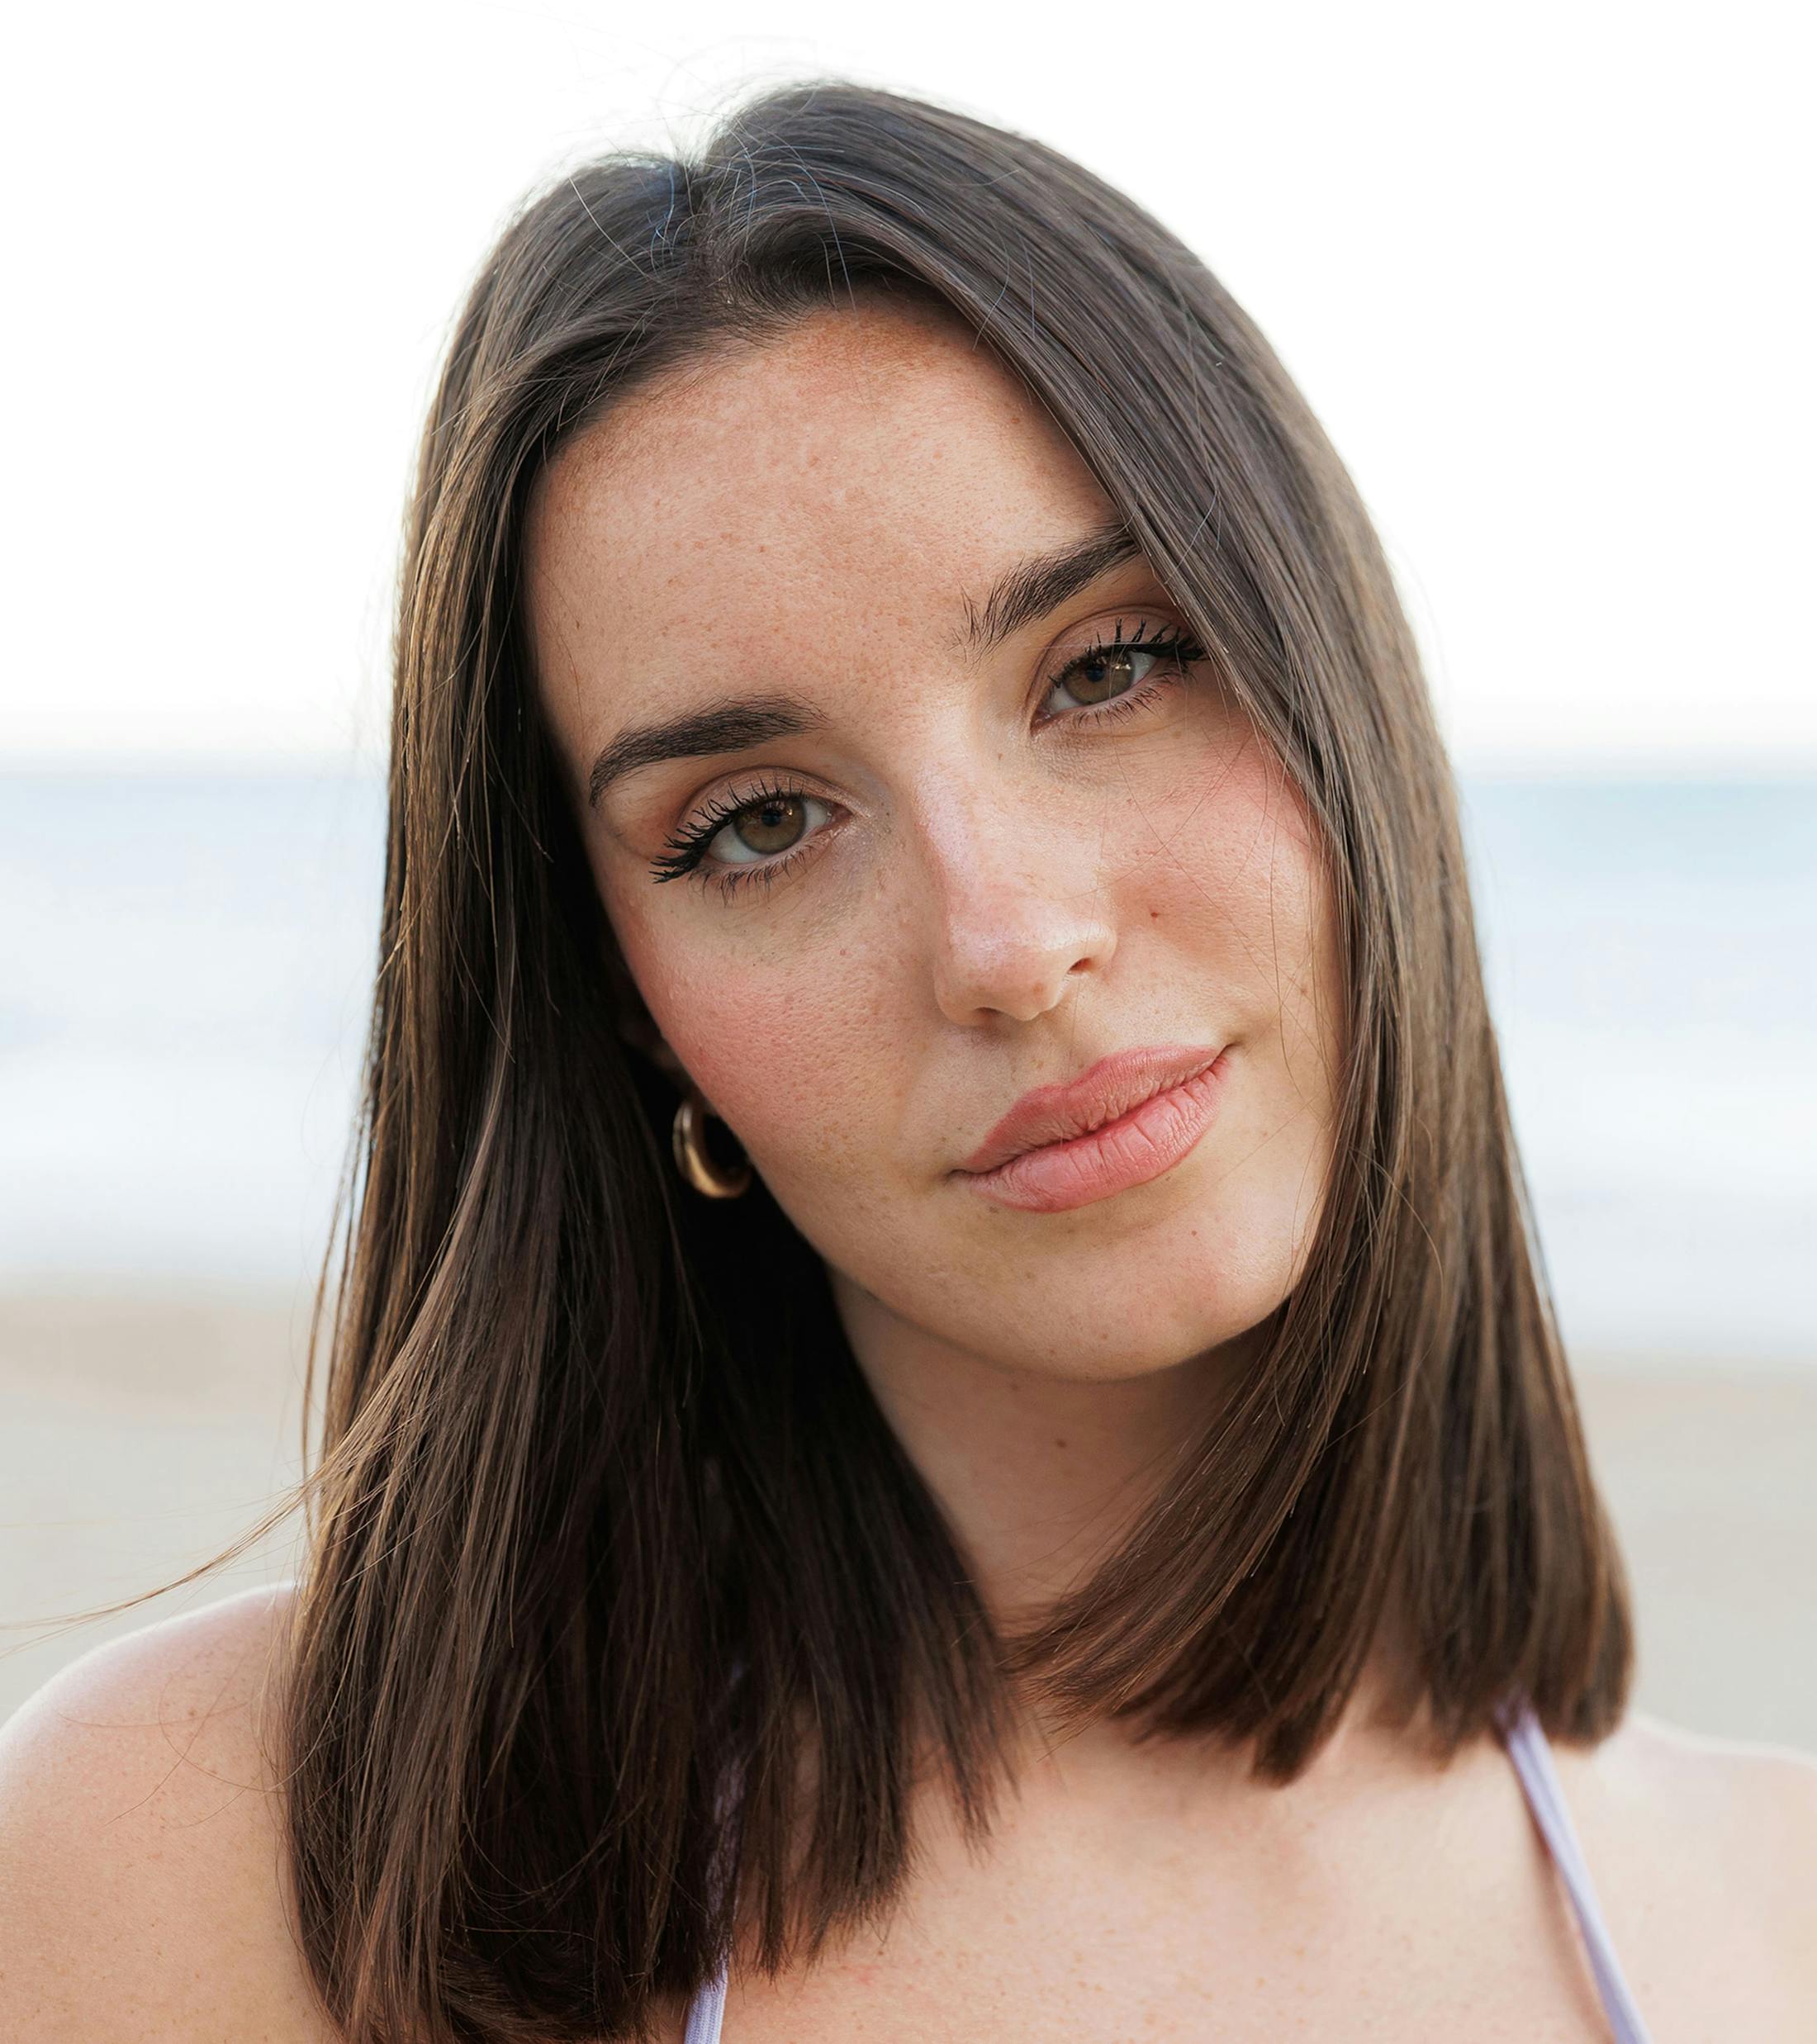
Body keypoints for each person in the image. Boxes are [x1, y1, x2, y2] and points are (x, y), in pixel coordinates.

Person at [2, 78, 1813, 2044]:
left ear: (1335, 679)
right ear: (627, 1002)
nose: (1007, 940)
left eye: (1108, 663)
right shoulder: (243, 1861)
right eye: (758, 821)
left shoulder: (1768, 1921)